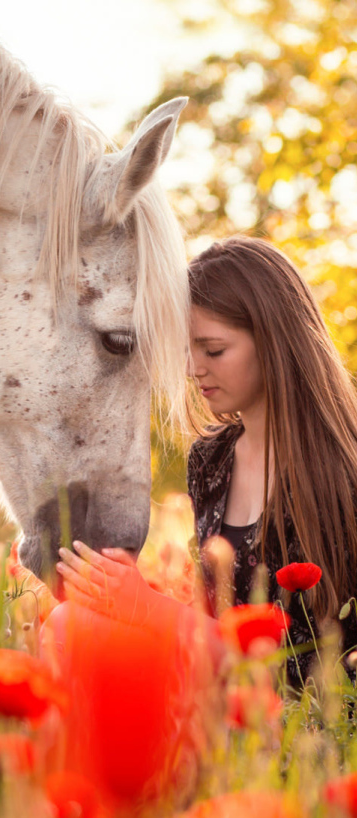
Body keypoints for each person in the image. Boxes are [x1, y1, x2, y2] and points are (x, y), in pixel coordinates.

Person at [56, 235, 357, 695]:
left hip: (304, 712)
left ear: (275, 341)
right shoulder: (210, 460)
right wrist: (117, 586)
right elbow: (211, 619)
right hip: (219, 689)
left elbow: (301, 670)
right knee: (69, 622)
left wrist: (147, 608)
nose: (193, 368)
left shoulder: (342, 470)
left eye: (213, 350)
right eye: (187, 349)